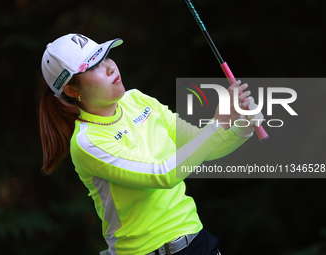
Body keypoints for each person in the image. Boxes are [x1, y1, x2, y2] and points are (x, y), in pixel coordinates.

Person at [39, 33, 263, 255]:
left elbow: (200, 145)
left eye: (105, 56)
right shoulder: (87, 142)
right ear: (72, 90)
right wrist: (217, 123)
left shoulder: (137, 99)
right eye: (93, 66)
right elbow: (162, 174)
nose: (109, 67)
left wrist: (241, 128)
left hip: (196, 241)